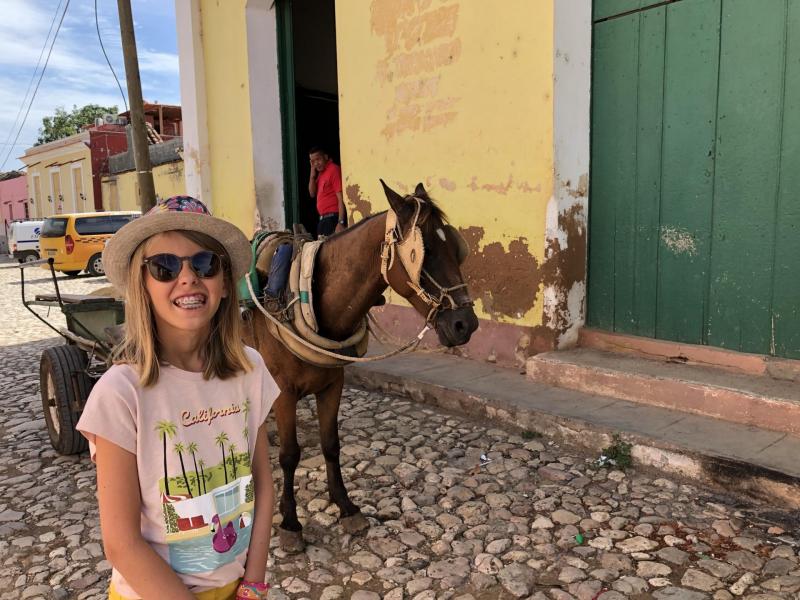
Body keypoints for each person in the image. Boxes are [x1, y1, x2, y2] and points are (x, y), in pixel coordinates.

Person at [76, 196, 279, 600]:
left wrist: (254, 584)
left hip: (236, 586)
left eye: (204, 264)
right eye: (164, 267)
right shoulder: (121, 394)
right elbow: (121, 543)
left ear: (223, 285)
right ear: (143, 287)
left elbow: (262, 483)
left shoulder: (249, 370)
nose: (187, 277)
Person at [308, 146, 347, 237]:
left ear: (325, 157)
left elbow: (340, 199)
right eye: (313, 161)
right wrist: (312, 174)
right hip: (323, 220)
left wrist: (340, 222)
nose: (316, 163)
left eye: (318, 159)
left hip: (333, 219)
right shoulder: (320, 174)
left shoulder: (333, 170)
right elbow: (312, 193)